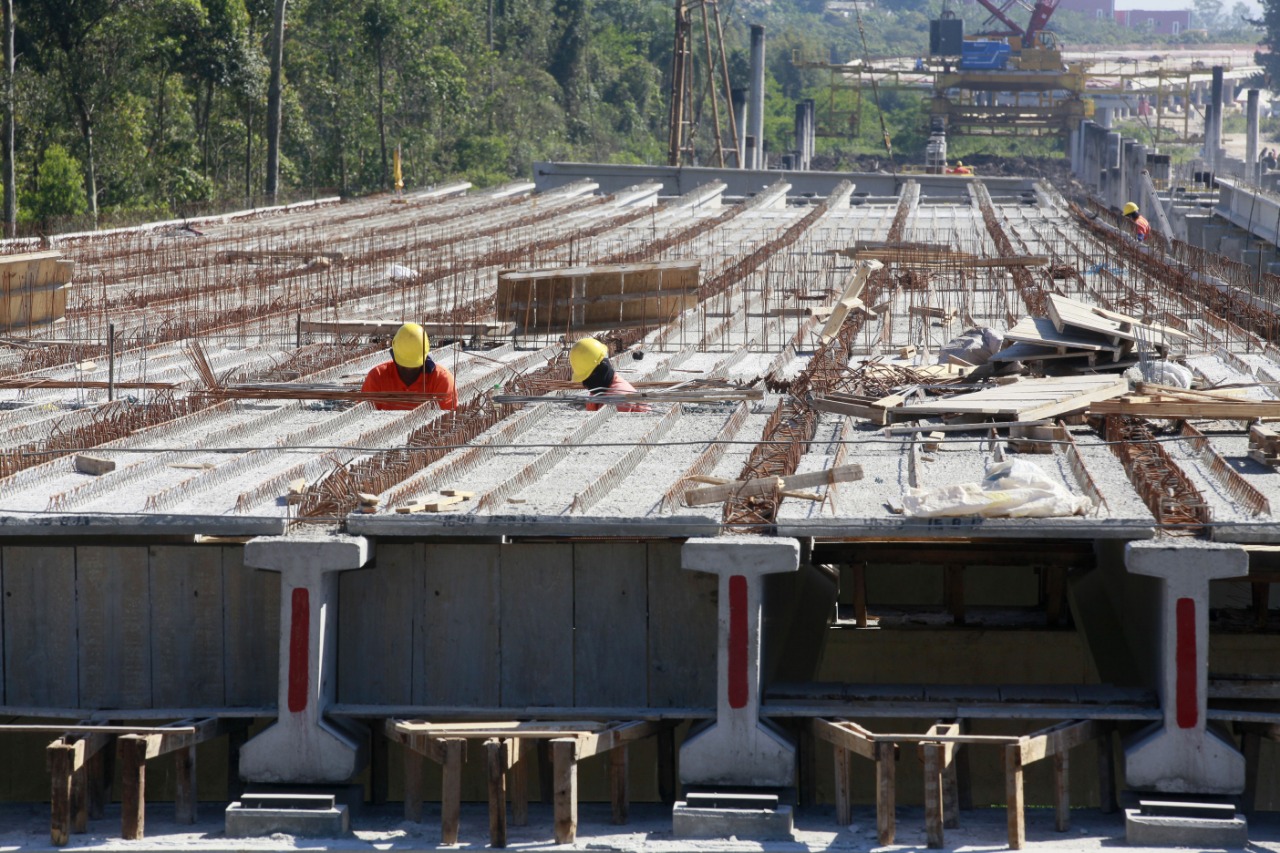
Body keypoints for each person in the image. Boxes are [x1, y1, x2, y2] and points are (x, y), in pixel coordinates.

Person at [361, 322, 457, 411]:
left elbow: (448, 419)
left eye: (414, 367)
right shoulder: (377, 377)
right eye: (403, 366)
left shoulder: (441, 380)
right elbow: (363, 419)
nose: (408, 369)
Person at [569, 338, 649, 412]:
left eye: (587, 377)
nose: (585, 384)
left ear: (602, 369)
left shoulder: (618, 401)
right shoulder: (603, 387)